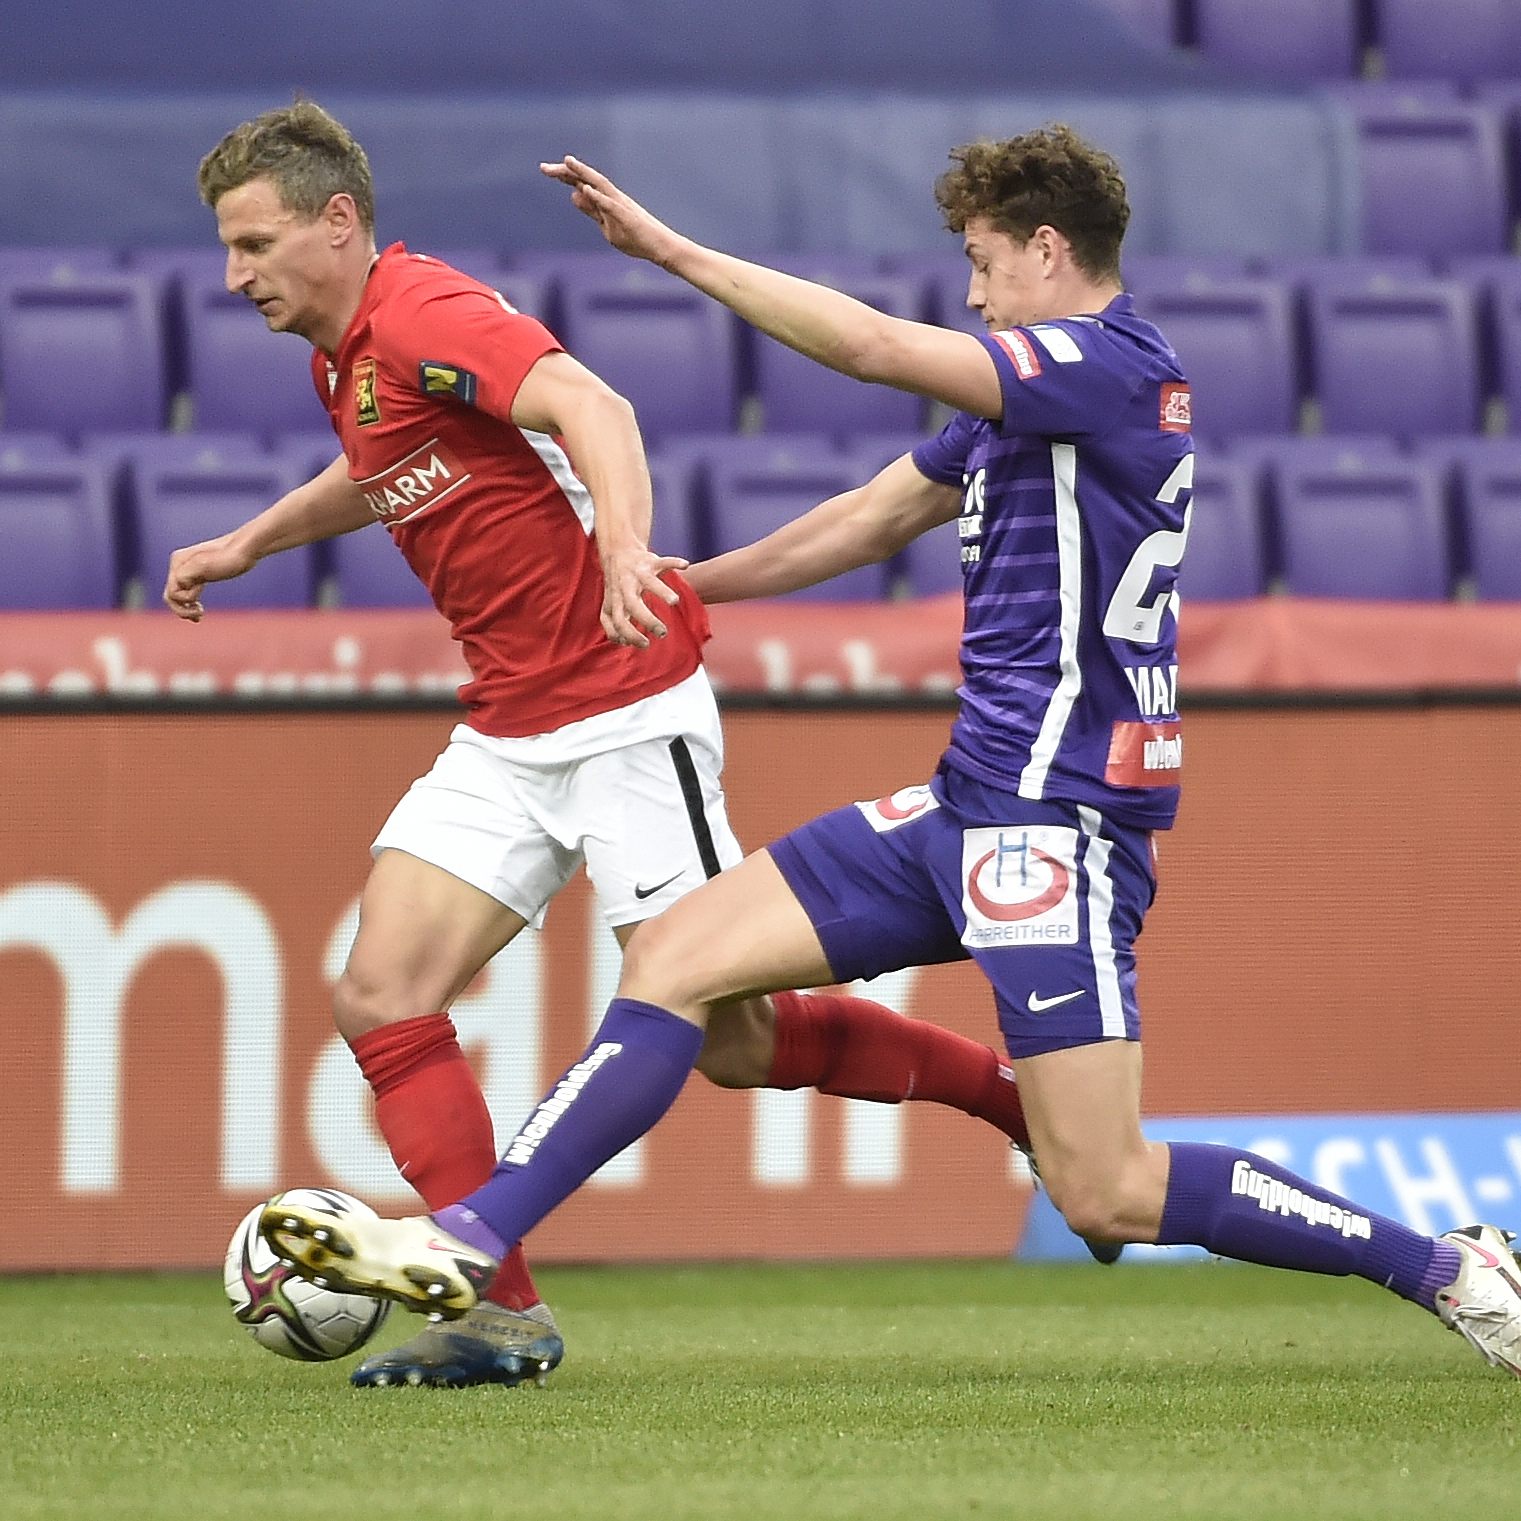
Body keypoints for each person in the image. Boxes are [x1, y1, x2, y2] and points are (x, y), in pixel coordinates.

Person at [258, 122, 1521, 1377]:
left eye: (982, 262)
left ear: (1044, 246)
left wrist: (670, 251)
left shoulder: (1104, 367)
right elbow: (872, 517)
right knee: (682, 964)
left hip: (1060, 824)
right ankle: (476, 1242)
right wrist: (696, 586)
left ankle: (1452, 1269)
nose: (972, 293)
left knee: (1109, 1190)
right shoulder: (1023, 406)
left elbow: (866, 348)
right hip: (968, 801)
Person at [173, 101, 1079, 1389]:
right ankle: (500, 1314)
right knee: (380, 989)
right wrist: (252, 543)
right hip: (508, 727)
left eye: (256, 243)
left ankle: (1003, 1098)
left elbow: (595, 407)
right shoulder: (348, 356)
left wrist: (619, 548)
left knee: (732, 1037)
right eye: (226, 249)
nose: (235, 275)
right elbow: (383, 464)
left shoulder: (425, 311)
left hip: (624, 711)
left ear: (339, 222)